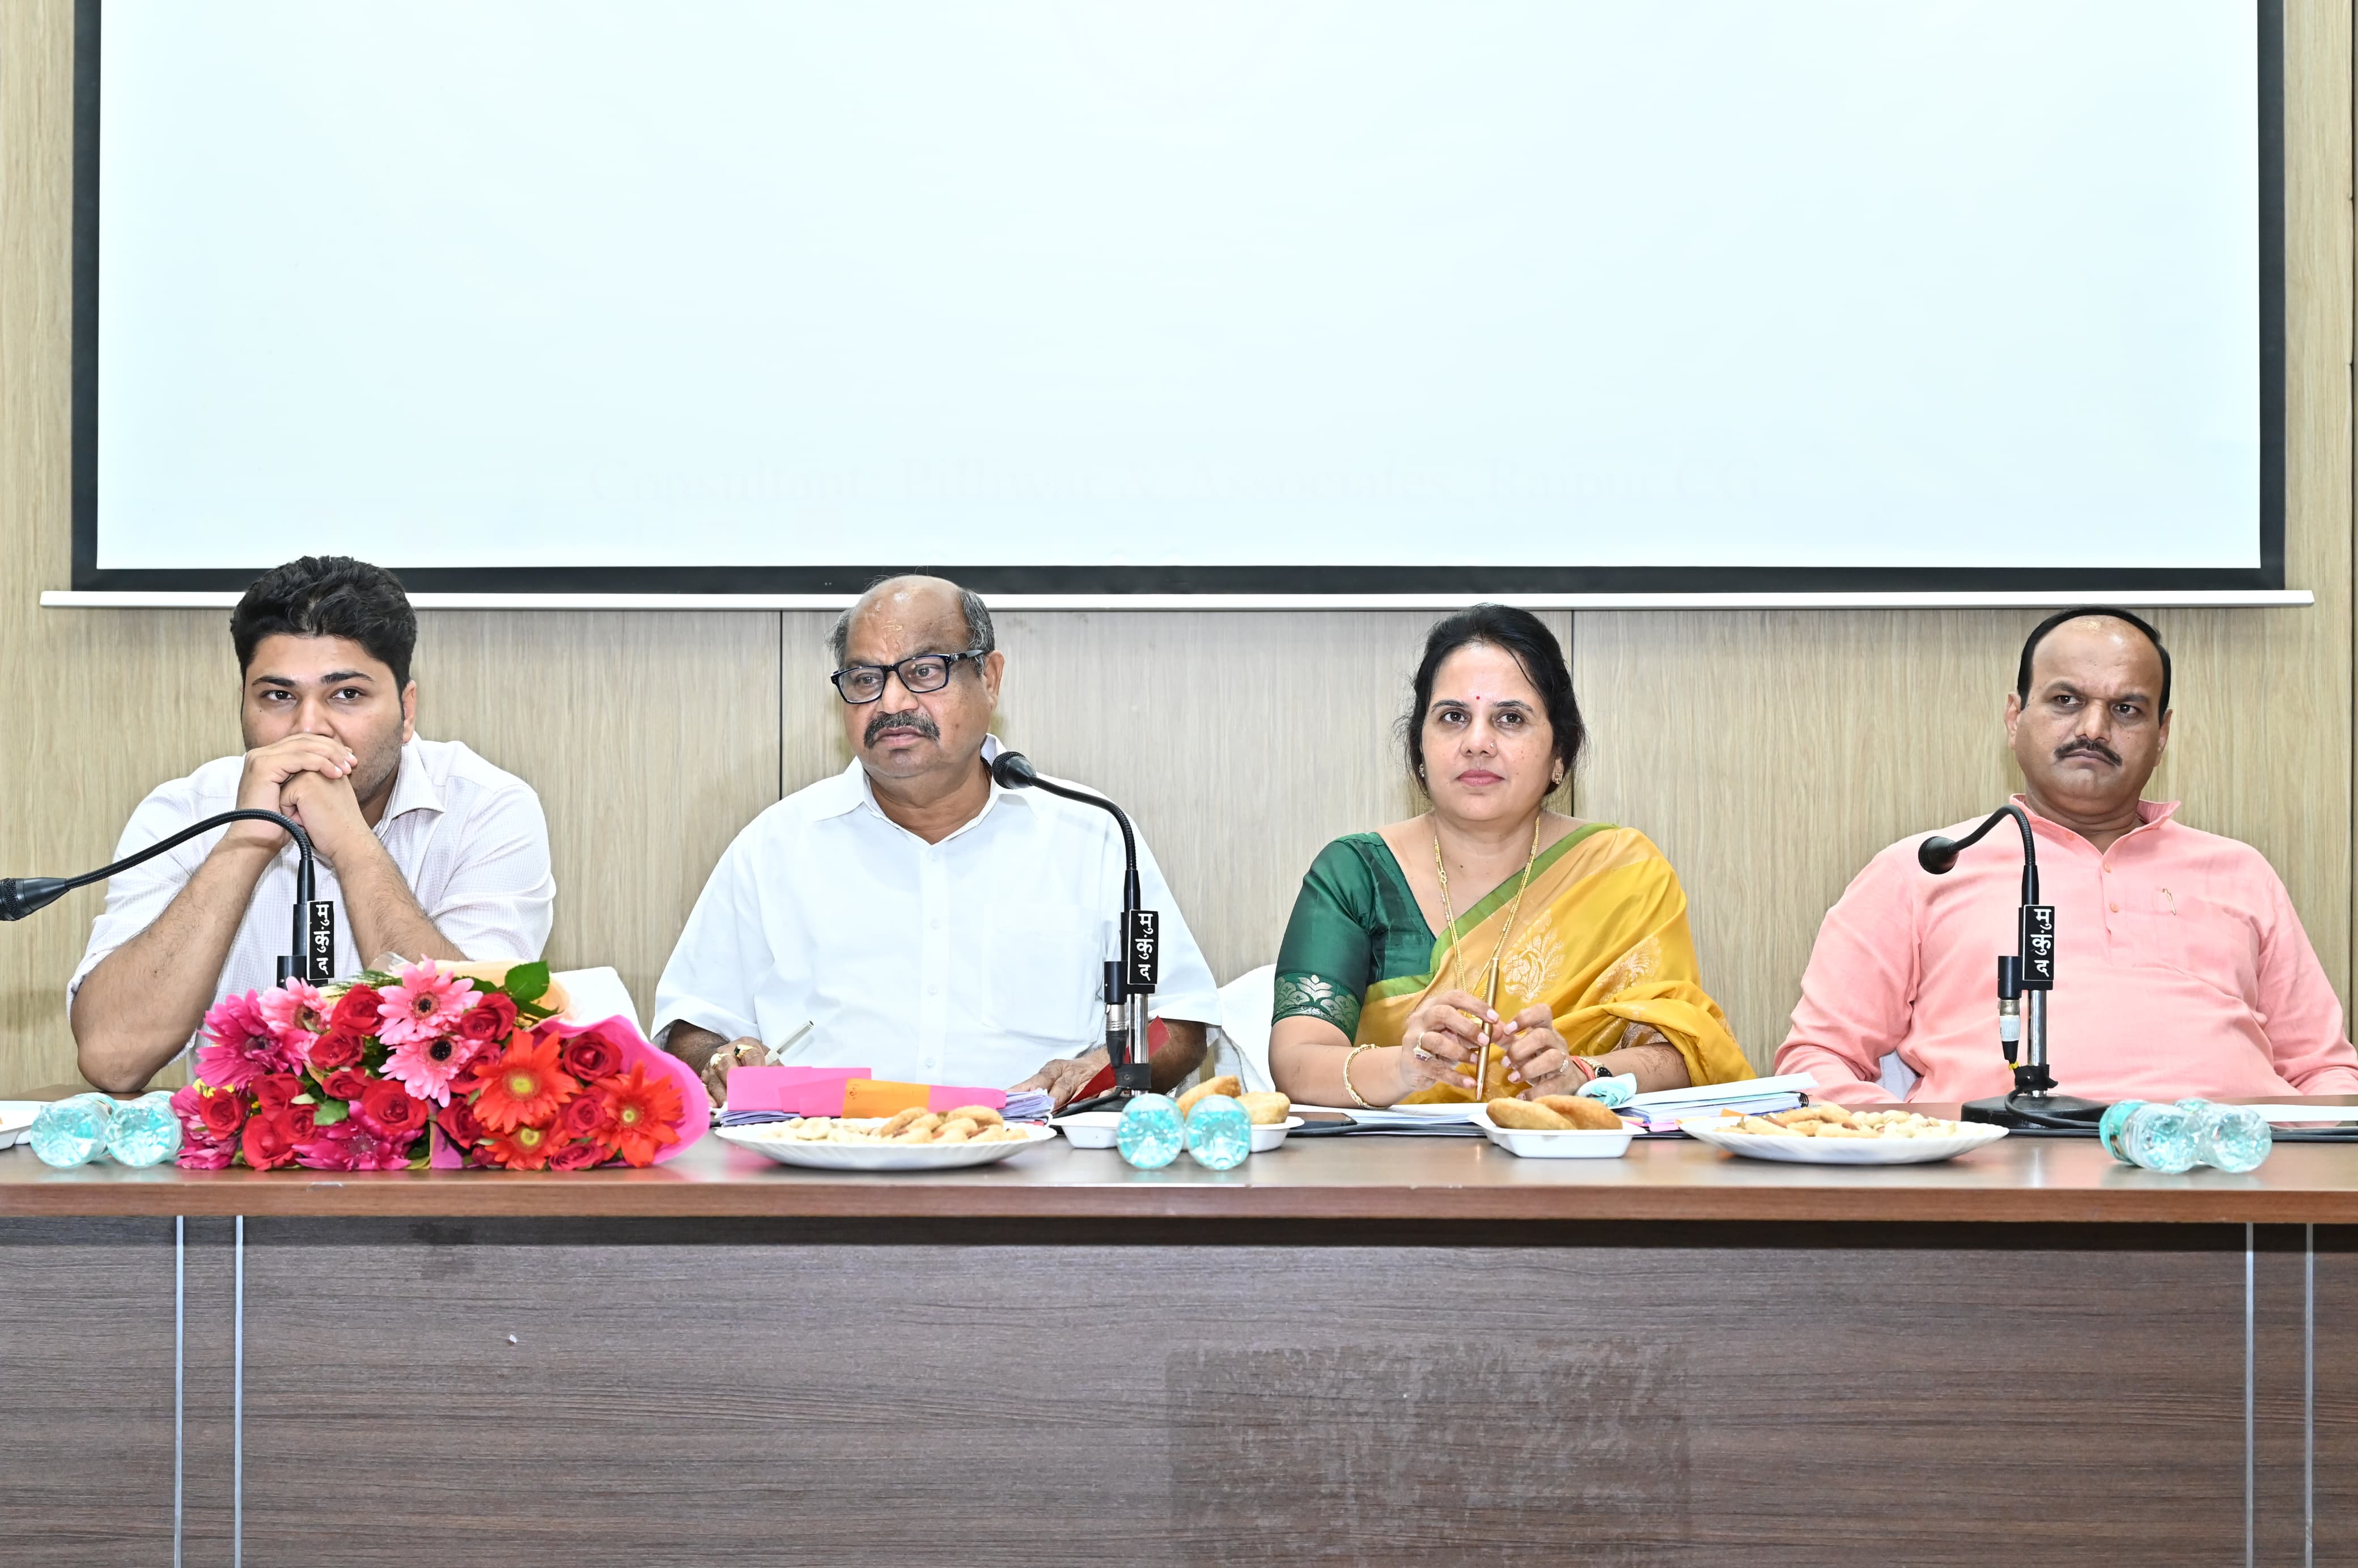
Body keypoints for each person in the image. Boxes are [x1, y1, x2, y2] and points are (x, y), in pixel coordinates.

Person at [653, 575, 1219, 1107]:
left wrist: (1107, 1066)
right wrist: (724, 1061)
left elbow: (1179, 1021)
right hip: (824, 1157)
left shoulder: (1091, 835)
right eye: (865, 679)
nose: (892, 702)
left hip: (1039, 1159)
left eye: (924, 671)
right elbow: (693, 1031)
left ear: (989, 677)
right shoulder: (775, 846)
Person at [1776, 606, 2358, 1106]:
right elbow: (1817, 1061)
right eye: (2065, 700)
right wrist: (1915, 1142)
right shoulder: (1925, 868)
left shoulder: (2240, 871)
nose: (2093, 728)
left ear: (2161, 735)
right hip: (1996, 1175)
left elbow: (2324, 1070)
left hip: (2234, 1173)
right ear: (2014, 718)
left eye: (2126, 709)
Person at [70, 556, 555, 1091]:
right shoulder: (184, 811)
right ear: (242, 705)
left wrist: (352, 847)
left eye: (347, 694)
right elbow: (114, 1059)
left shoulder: (487, 809)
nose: (309, 729)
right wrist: (246, 840)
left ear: (407, 710)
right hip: (233, 1145)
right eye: (279, 696)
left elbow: (475, 1054)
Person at [1267, 605, 1746, 1108]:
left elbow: (1685, 1054)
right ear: (1419, 748)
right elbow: (1296, 1062)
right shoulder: (1356, 874)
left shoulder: (1622, 872)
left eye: (1510, 718)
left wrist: (1581, 1073)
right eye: (1453, 717)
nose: (1478, 742)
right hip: (1395, 1156)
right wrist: (1403, 1066)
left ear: (1560, 753)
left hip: (1569, 1152)